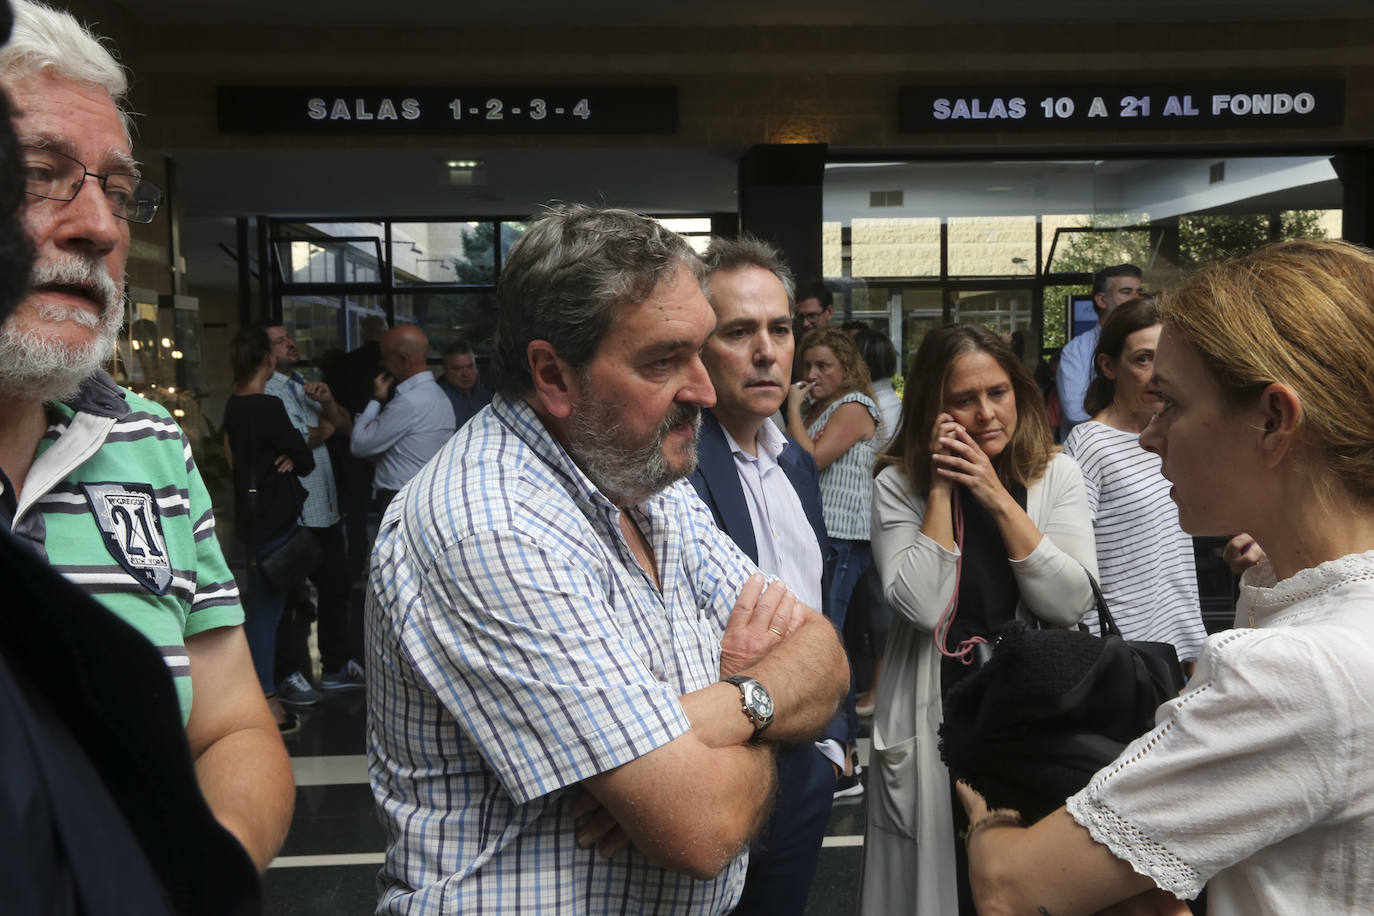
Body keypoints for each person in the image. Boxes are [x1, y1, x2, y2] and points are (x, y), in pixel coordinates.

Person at [365, 203, 849, 914]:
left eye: (702, 348)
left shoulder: (645, 479)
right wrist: (766, 712)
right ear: (552, 375)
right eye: (664, 360)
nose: (705, 390)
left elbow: (825, 655)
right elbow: (702, 827)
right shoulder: (491, 526)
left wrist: (730, 708)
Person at [958, 238, 1374, 915]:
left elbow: (1011, 888)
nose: (1150, 436)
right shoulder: (1294, 604)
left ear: (1273, 420)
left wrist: (987, 804)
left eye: (1172, 404)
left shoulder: (1301, 668)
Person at [0, 0, 293, 873]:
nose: (100, 227)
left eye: (119, 193)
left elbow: (235, 727)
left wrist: (189, 883)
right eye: (40, 172)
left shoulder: (150, 444)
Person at [862, 323, 1096, 915]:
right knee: (950, 887)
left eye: (998, 392)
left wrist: (993, 493)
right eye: (963, 400)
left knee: (1031, 881)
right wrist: (942, 490)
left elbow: (1069, 601)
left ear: (1019, 391)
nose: (986, 413)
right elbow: (922, 605)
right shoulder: (899, 486)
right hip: (938, 706)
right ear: (932, 410)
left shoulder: (1055, 474)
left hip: (1033, 708)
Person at [689, 234, 845, 915]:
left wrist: (834, 745)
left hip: (807, 759)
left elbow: (822, 603)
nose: (766, 351)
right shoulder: (674, 471)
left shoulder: (797, 464)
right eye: (739, 331)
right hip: (724, 760)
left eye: (780, 329)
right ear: (698, 346)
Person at [1062, 298, 1207, 668]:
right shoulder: (1089, 444)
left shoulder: (1174, 434)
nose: (1157, 374)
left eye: (1164, 358)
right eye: (1143, 359)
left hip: (1174, 647)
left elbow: (1173, 553)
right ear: (1108, 366)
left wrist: (1191, 646)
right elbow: (1071, 566)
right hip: (1123, 657)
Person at [785, 326, 881, 796]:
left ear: (846, 367)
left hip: (845, 537)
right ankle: (842, 755)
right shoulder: (822, 407)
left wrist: (791, 409)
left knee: (830, 640)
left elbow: (811, 459)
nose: (812, 374)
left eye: (824, 365)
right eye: (808, 365)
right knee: (827, 636)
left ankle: (846, 762)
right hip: (825, 536)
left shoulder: (854, 407)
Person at [264, 322, 365, 696]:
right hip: (295, 511)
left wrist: (327, 405)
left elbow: (343, 427)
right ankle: (288, 675)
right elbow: (295, 440)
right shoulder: (267, 391)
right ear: (265, 353)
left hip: (325, 508)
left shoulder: (305, 383)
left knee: (336, 589)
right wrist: (320, 429)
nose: (291, 342)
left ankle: (336, 666)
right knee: (292, 600)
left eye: (289, 336)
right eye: (280, 341)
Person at [222, 325, 315, 731]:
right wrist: (292, 455)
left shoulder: (233, 405)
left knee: (265, 607)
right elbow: (304, 457)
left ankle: (267, 691)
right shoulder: (267, 406)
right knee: (266, 612)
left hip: (252, 517)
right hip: (275, 519)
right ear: (268, 360)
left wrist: (289, 455)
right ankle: (267, 701)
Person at [349, 323, 455, 513]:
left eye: (385, 357)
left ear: (403, 359)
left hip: (400, 500)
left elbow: (359, 445)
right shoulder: (439, 396)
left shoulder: (409, 403)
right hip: (424, 496)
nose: (382, 364)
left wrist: (376, 400)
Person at [851, 328, 902, 716]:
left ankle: (879, 690)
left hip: (871, 516)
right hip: (878, 516)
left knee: (878, 611)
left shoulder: (872, 407)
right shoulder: (892, 402)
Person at [1057, 264, 1143, 437]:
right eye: (1126, 292)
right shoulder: (1076, 351)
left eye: (1139, 292)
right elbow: (1076, 412)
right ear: (1101, 300)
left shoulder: (1154, 343)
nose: (1136, 299)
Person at [436, 338, 492, 428]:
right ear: (445, 370)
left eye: (470, 367)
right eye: (458, 369)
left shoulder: (486, 397)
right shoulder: (438, 401)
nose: (466, 374)